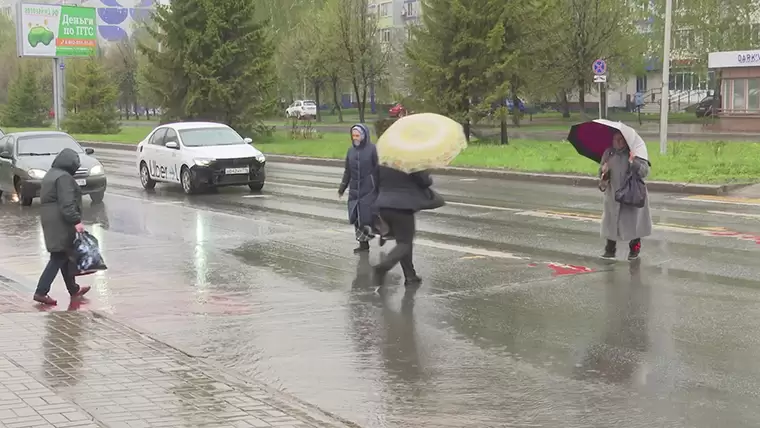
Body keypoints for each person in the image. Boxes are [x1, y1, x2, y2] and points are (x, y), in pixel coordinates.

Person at [34, 148, 91, 305]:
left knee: (64, 256)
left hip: (51, 219)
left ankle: (73, 289)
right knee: (58, 256)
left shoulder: (51, 174)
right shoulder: (64, 177)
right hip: (60, 221)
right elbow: (67, 203)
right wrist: (76, 221)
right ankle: (41, 291)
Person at [372, 166, 443, 286]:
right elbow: (424, 182)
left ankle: (410, 275)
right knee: (405, 242)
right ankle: (383, 267)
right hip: (402, 207)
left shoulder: (383, 162)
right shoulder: (410, 162)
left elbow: (375, 181)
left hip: (383, 205)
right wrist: (426, 173)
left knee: (402, 243)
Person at [599, 131, 652, 260]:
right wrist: (603, 172)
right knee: (611, 221)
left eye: (621, 139)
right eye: (615, 139)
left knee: (633, 222)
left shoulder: (634, 153)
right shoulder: (608, 153)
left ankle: (634, 247)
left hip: (631, 193)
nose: (618, 142)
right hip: (613, 194)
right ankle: (610, 249)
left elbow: (645, 172)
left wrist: (633, 162)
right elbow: (601, 175)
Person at [338, 124, 379, 254]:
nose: (355, 138)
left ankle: (382, 233)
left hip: (369, 189)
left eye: (358, 135)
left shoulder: (372, 149)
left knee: (367, 216)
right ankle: (363, 244)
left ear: (364, 135)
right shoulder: (351, 151)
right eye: (353, 135)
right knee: (356, 216)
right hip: (355, 190)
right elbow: (347, 172)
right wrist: (342, 188)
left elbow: (378, 169)